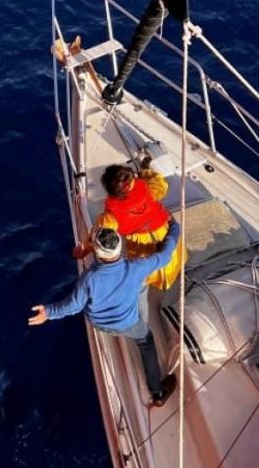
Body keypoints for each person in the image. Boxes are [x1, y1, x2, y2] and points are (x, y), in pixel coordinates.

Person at [30, 224, 182, 406]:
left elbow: (73, 306)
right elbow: (164, 256)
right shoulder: (136, 268)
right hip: (129, 324)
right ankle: (157, 393)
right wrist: (175, 228)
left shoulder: (88, 278)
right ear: (119, 248)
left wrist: (48, 312)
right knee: (146, 341)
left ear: (97, 252)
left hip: (99, 325)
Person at [73, 154, 188, 290]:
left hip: (148, 264)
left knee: (144, 273)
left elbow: (97, 240)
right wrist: (145, 171)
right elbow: (159, 181)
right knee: (175, 259)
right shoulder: (150, 190)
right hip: (174, 251)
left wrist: (83, 251)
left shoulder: (110, 218)